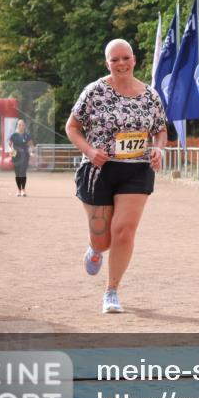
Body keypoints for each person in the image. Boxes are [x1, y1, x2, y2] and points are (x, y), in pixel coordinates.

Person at [65, 39, 167, 314]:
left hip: (137, 168)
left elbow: (160, 129)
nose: (121, 64)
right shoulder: (94, 91)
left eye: (125, 58)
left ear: (134, 60)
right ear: (107, 63)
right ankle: (95, 249)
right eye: (115, 60)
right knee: (103, 239)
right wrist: (89, 150)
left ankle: (111, 291)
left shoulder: (150, 96)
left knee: (124, 232)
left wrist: (158, 149)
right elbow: (72, 126)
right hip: (99, 170)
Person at [8, 120, 34, 196]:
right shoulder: (13, 135)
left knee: (23, 172)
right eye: (20, 125)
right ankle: (18, 190)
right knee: (17, 173)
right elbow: (9, 145)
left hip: (25, 156)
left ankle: (23, 190)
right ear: (17, 126)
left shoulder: (27, 135)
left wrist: (32, 152)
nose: (21, 126)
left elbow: (31, 146)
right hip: (15, 156)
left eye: (23, 125)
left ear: (24, 126)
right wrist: (10, 149)